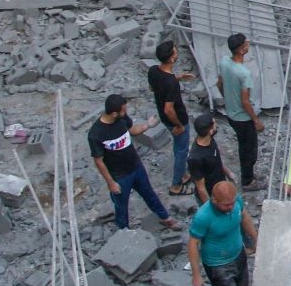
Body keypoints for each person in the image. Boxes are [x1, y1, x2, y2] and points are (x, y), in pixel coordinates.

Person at [88, 93, 180, 231]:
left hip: (136, 167)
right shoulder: (96, 134)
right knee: (121, 206)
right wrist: (111, 183)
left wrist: (147, 125)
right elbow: (99, 161)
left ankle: (164, 217)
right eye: (123, 110)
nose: (125, 113)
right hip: (119, 176)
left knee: (149, 193)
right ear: (114, 113)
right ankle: (124, 231)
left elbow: (132, 130)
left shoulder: (122, 119)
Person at [188, 180, 256, 286]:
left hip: (238, 254)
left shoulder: (236, 201)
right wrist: (196, 274)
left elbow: (244, 216)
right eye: (226, 205)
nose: (230, 207)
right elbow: (193, 244)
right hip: (218, 265)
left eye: (232, 203)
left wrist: (256, 238)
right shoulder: (203, 217)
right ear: (214, 200)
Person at [147, 39, 195, 198]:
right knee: (182, 151)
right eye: (175, 51)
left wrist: (178, 77)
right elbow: (169, 109)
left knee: (179, 147)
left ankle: (182, 174)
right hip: (177, 120)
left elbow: (153, 87)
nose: (177, 53)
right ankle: (176, 185)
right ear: (171, 58)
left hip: (164, 118)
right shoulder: (171, 84)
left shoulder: (153, 70)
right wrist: (178, 125)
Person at [216, 33, 263, 186]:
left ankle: (248, 175)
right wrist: (256, 120)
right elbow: (245, 102)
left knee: (244, 146)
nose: (248, 44)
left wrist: (228, 99)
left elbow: (219, 84)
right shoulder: (244, 74)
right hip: (243, 119)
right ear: (242, 50)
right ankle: (247, 181)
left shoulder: (224, 62)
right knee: (249, 150)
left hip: (231, 114)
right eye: (246, 44)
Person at [186, 113, 230, 203]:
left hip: (220, 186)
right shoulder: (195, 159)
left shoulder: (210, 139)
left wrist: (228, 173)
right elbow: (201, 188)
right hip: (211, 194)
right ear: (210, 131)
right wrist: (209, 208)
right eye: (214, 124)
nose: (216, 125)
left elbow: (217, 159)